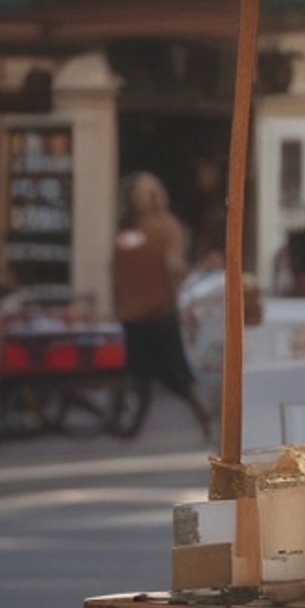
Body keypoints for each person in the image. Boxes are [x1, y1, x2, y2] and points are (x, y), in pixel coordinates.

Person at [113, 172, 212, 438]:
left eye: (146, 193)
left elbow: (174, 264)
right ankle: (130, 426)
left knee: (176, 374)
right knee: (137, 371)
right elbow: (119, 266)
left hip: (160, 310)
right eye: (136, 193)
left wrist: (182, 298)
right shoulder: (126, 226)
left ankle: (203, 414)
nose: (140, 198)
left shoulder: (166, 226)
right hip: (132, 311)